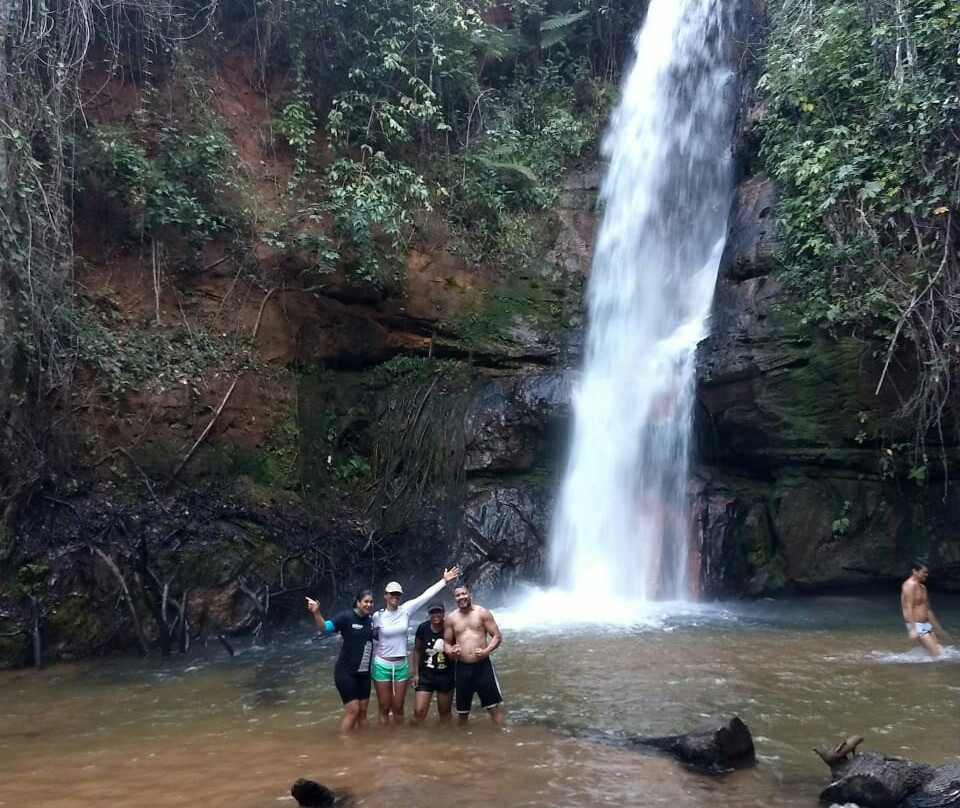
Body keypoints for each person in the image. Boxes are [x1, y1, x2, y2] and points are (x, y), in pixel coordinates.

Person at [371, 566, 460, 725]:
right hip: (382, 663)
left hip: (400, 664)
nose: (395, 596)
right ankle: (384, 741)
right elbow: (371, 635)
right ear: (385, 595)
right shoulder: (377, 616)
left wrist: (444, 581)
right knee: (384, 707)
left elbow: (425, 596)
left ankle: (401, 739)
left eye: (398, 594)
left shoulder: (406, 610)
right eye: (392, 593)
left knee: (398, 707)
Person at [305, 589, 375, 734]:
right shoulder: (346, 617)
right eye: (366, 601)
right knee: (353, 711)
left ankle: (367, 747)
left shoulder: (371, 620)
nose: (369, 605)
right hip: (346, 673)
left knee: (363, 713)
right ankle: (346, 745)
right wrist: (316, 612)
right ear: (358, 602)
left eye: (371, 602)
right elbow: (325, 628)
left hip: (364, 674)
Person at [444, 583, 503, 725]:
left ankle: (502, 740)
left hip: (483, 666)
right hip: (462, 667)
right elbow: (446, 643)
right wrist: (452, 652)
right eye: (458, 595)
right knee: (462, 712)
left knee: (493, 708)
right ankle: (462, 745)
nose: (461, 597)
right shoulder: (451, 618)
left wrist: (486, 651)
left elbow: (497, 636)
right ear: (455, 598)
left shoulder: (482, 613)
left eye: (464, 594)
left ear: (471, 594)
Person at [411, 601, 455, 724]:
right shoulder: (423, 628)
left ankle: (447, 741)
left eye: (438, 612)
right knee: (418, 712)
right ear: (428, 614)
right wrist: (416, 674)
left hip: (445, 675)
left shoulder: (450, 628)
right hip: (426, 675)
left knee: (445, 713)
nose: (435, 615)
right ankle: (410, 739)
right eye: (432, 612)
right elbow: (417, 651)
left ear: (443, 613)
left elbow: (456, 649)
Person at [901, 559, 949, 657]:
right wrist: (913, 629)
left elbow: (928, 610)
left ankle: (921, 665)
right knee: (936, 655)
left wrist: (938, 628)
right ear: (914, 571)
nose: (926, 575)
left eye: (927, 572)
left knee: (939, 651)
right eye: (924, 572)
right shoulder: (909, 585)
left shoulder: (923, 587)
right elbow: (908, 607)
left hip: (926, 624)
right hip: (917, 625)